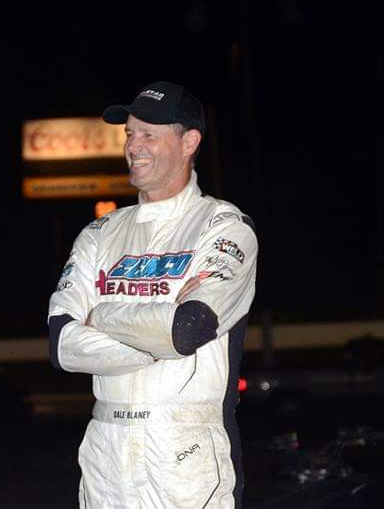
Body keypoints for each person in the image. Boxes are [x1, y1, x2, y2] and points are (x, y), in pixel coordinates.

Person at [48, 81, 258, 508]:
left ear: (189, 142)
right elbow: (62, 345)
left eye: (149, 134)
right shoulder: (99, 233)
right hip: (106, 450)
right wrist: (158, 333)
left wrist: (102, 315)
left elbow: (187, 329)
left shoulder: (224, 227)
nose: (133, 146)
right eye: (129, 134)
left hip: (187, 452)